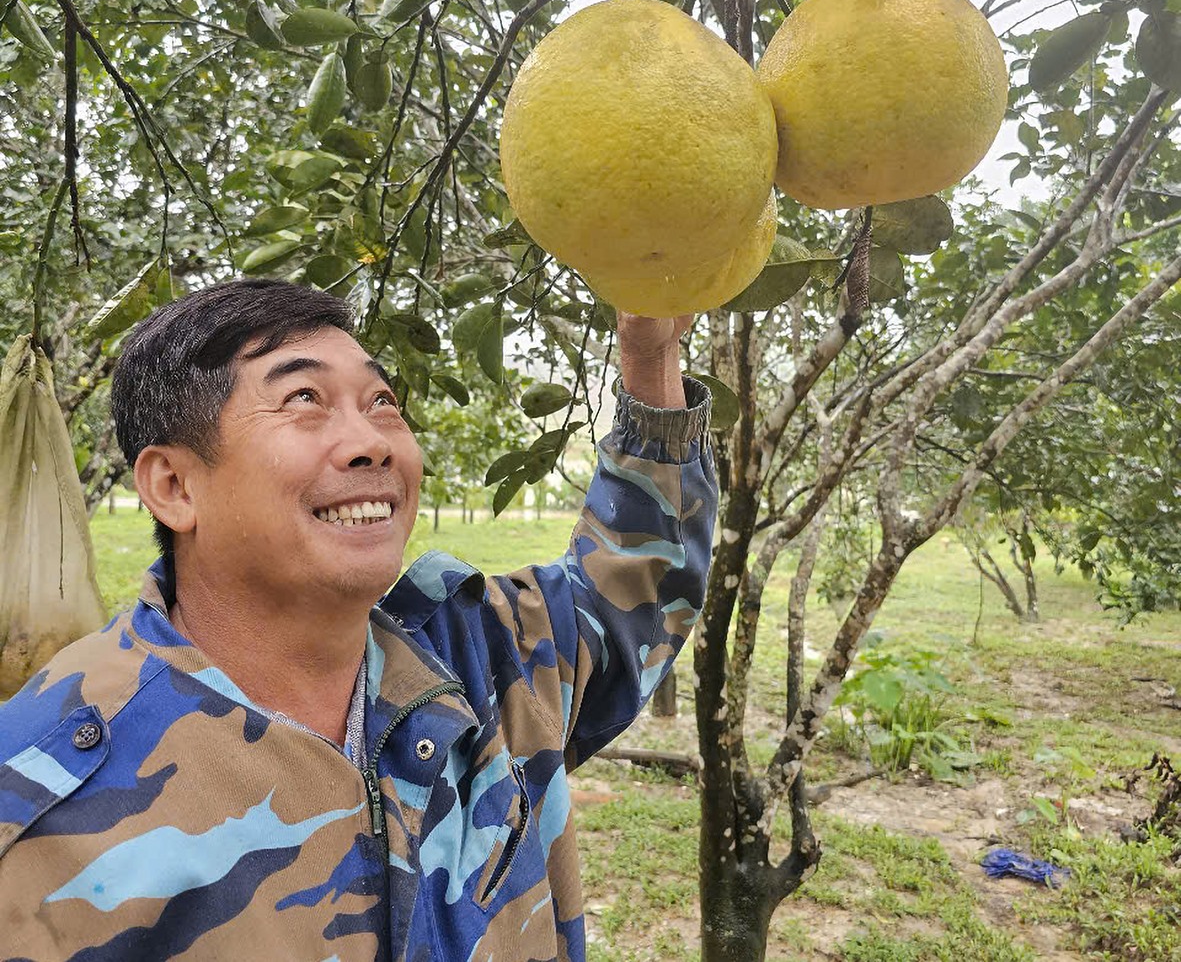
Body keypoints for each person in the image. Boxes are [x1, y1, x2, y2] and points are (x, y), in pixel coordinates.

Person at [0, 278, 716, 961]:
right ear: (174, 486)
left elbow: (636, 581)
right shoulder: (42, 801)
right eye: (304, 399)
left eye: (382, 402)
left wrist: (649, 355)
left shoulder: (482, 661)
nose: (372, 442)